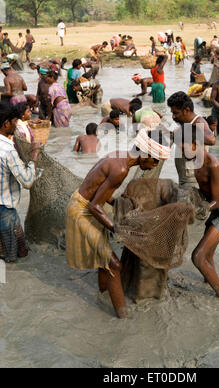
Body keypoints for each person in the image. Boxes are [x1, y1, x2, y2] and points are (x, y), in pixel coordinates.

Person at [65, 128, 171, 318]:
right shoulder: (121, 169)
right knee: (114, 265)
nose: (155, 165)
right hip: (81, 212)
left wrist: (117, 202)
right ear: (145, 153)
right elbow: (95, 207)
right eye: (155, 159)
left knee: (103, 261)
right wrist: (119, 230)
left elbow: (99, 193)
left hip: (80, 202)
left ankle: (104, 295)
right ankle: (123, 318)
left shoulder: (119, 156)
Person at [176, 124, 219, 303]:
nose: (182, 153)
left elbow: (216, 202)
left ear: (195, 144)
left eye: (184, 148)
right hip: (215, 208)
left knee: (198, 256)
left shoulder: (214, 165)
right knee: (208, 254)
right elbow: (205, 195)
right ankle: (208, 281)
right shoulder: (196, 164)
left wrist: (196, 210)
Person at [0, 101, 42, 262]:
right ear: (6, 123)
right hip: (5, 210)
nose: (16, 125)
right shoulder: (7, 150)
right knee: (11, 257)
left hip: (6, 209)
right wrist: (34, 156)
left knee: (21, 249)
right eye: (14, 122)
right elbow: (27, 181)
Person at [167, 91, 215, 188]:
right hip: (185, 176)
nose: (173, 116)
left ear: (186, 110)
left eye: (175, 113)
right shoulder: (185, 122)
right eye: (172, 113)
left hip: (192, 179)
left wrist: (184, 133)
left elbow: (211, 139)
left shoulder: (199, 122)